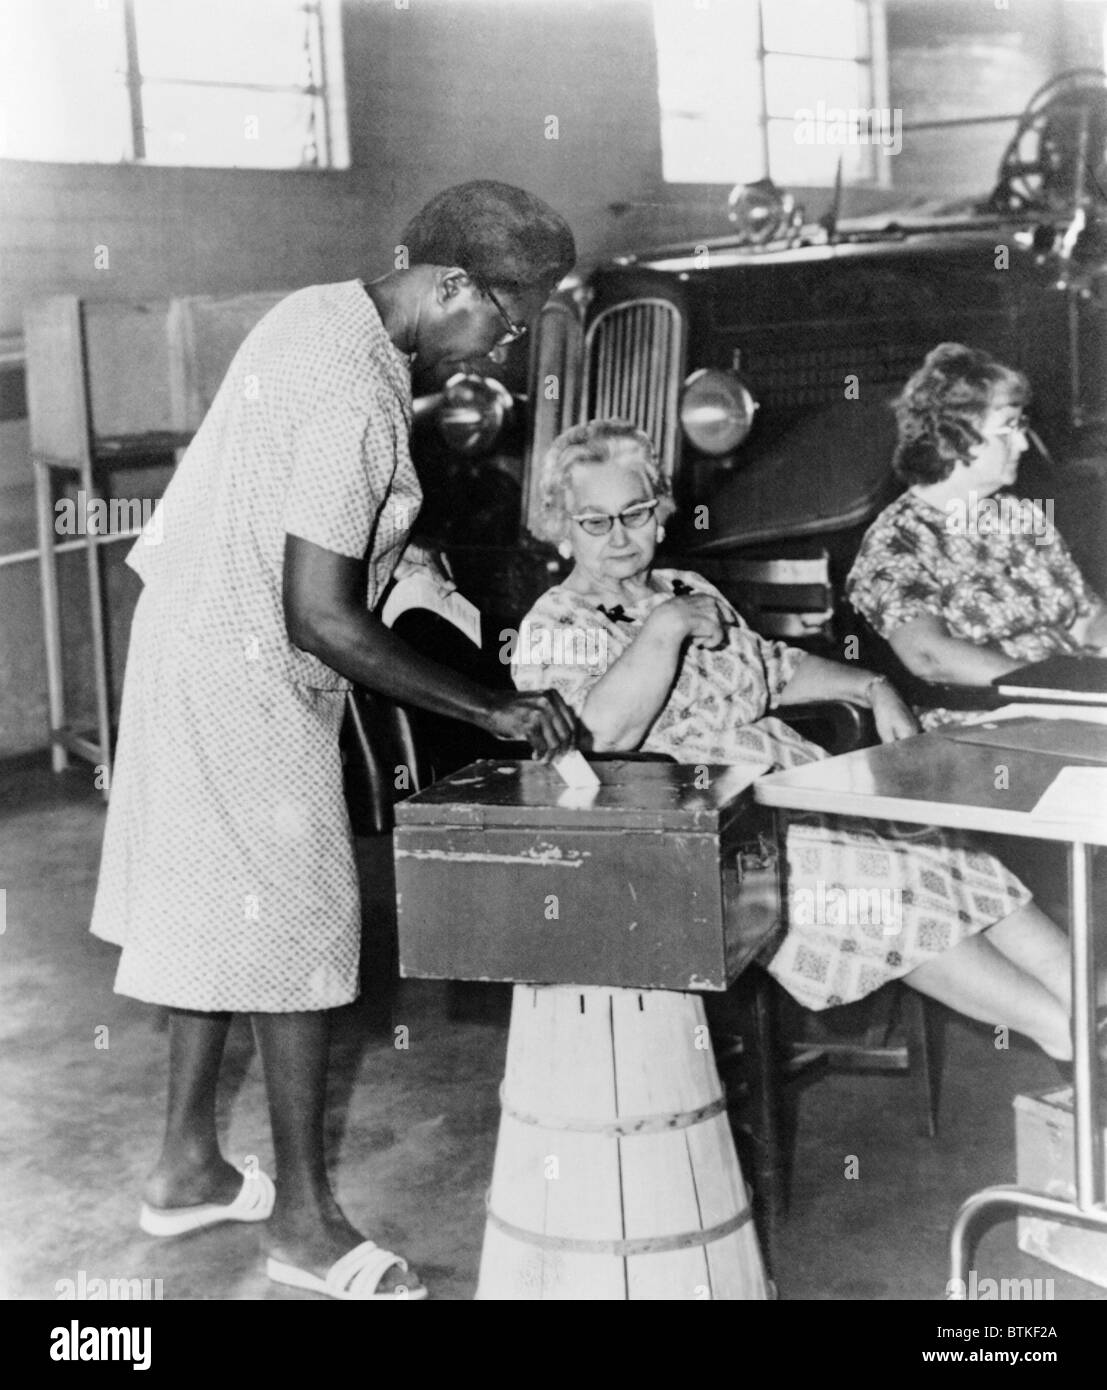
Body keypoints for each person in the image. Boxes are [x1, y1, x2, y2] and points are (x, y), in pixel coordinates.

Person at [90, 181, 577, 1301]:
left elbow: (285, 510)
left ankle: (185, 1168)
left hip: (181, 631)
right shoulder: (359, 386)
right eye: (506, 316)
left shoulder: (316, 312)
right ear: (452, 283)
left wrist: (407, 562)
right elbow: (321, 614)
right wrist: (488, 706)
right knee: (300, 928)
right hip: (249, 664)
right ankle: (305, 1226)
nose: (504, 348)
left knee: (214, 906)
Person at [512, 419, 1107, 1070]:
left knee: (939, 846)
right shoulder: (553, 624)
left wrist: (873, 685)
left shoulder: (684, 587)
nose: (620, 536)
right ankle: (1061, 1030)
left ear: (659, 513)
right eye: (595, 521)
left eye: (634, 512)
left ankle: (1087, 1000)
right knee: (882, 884)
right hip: (713, 825)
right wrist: (665, 629)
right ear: (560, 525)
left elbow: (771, 667)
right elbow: (601, 736)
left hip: (796, 785)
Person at [847, 343, 1107, 728]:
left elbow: (1085, 618)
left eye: (1022, 427)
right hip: (986, 722)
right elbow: (930, 657)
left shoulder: (1021, 515)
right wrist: (1050, 686)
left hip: (1072, 704)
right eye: (1008, 428)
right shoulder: (899, 538)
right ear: (956, 438)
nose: (1022, 443)